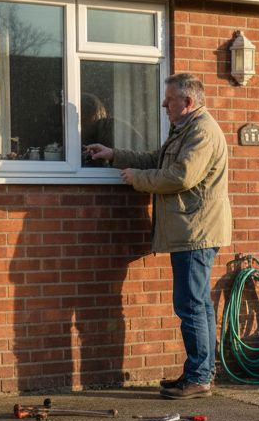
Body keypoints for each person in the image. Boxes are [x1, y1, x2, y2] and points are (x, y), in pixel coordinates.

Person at [83, 73, 231, 399]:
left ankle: (199, 378)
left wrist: (138, 178)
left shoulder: (202, 132)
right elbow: (157, 159)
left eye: (169, 101)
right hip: (191, 229)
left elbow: (180, 176)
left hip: (196, 231)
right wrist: (114, 154)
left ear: (187, 101)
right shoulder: (186, 129)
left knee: (190, 305)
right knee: (198, 305)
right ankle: (199, 373)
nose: (164, 106)